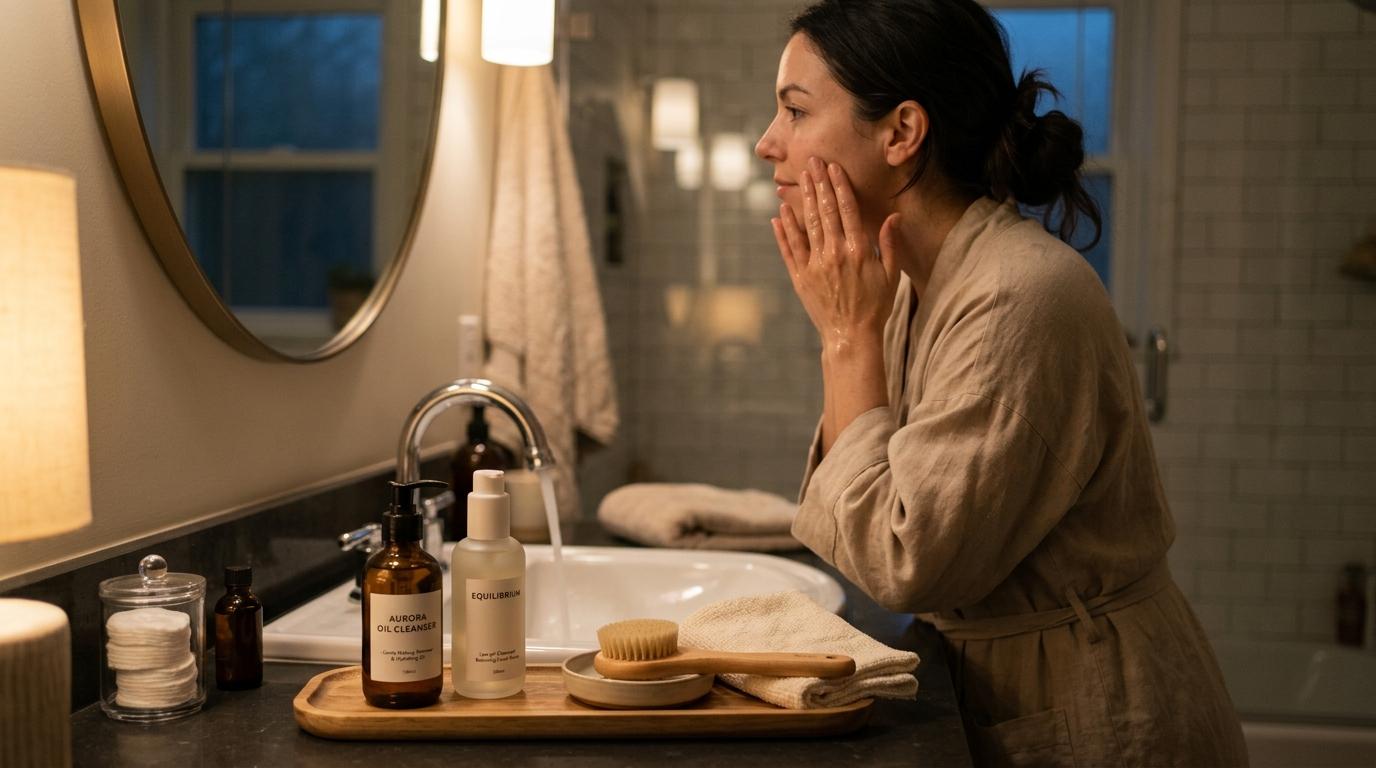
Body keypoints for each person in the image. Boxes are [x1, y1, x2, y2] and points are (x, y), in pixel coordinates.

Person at [754, 1, 1248, 765]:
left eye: (794, 111)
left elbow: (901, 559)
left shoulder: (1021, 293)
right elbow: (868, 524)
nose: (766, 144)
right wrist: (858, 326)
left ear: (901, 133)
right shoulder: (912, 286)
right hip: (1004, 679)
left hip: (1100, 710)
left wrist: (845, 338)